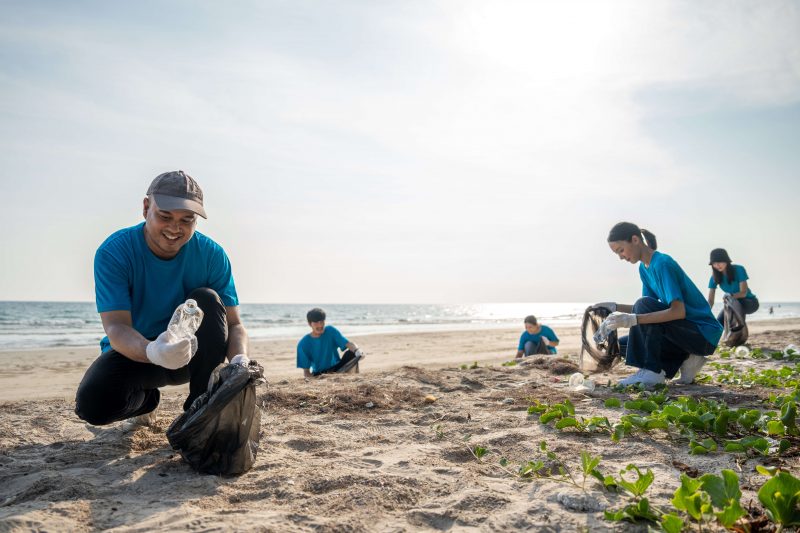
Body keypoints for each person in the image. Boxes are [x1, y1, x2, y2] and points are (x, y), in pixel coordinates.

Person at [75, 170, 248, 430]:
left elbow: (233, 324)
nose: (175, 228)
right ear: (146, 208)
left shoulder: (212, 255)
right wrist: (154, 351)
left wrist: (239, 363)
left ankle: (201, 408)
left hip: (194, 358)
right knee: (93, 405)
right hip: (138, 355)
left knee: (207, 299)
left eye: (186, 220)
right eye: (164, 216)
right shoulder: (115, 252)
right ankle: (146, 403)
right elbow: (116, 328)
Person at [594, 222, 722, 386]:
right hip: (685, 333)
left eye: (621, 250)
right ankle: (688, 359)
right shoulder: (644, 268)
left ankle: (652, 372)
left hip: (702, 333)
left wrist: (632, 319)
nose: (621, 257)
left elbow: (677, 312)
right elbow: (646, 309)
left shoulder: (662, 263)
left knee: (641, 315)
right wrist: (614, 307)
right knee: (625, 344)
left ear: (635, 240)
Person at [297, 308, 364, 377]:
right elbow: (306, 372)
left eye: (321, 321)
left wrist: (357, 351)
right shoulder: (303, 344)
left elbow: (348, 344)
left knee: (351, 353)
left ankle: (350, 375)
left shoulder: (330, 331)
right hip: (320, 374)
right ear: (309, 324)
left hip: (338, 368)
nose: (320, 325)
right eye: (316, 322)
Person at [706, 248, 759, 325]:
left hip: (750, 302)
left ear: (726, 260)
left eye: (720, 261)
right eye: (714, 263)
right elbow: (710, 301)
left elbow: (743, 293)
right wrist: (705, 313)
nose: (717, 265)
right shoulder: (714, 278)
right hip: (732, 304)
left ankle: (740, 329)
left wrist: (729, 296)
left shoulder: (739, 269)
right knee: (719, 322)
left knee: (733, 302)